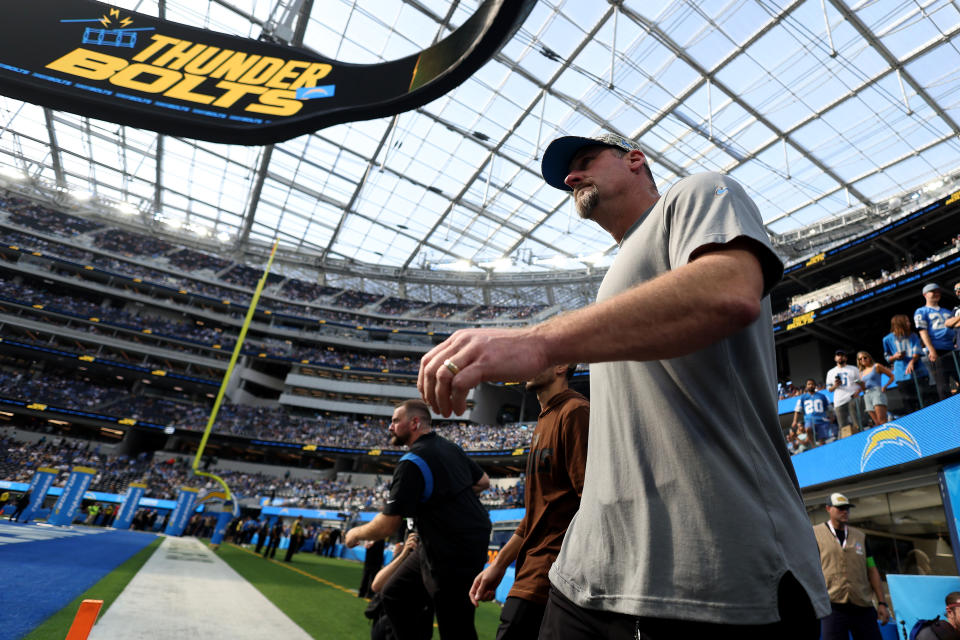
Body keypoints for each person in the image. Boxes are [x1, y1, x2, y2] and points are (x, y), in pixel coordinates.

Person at [417, 132, 829, 638]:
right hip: (589, 572)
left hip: (712, 570)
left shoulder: (696, 193)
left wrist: (541, 341)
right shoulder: (617, 277)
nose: (571, 178)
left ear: (635, 160)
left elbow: (728, 291)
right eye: (568, 175)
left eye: (585, 161)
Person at [344, 399, 492, 640]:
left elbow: (388, 524)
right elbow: (483, 481)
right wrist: (445, 499)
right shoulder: (448, 447)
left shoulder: (411, 462)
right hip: (447, 543)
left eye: (395, 421)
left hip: (452, 550)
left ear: (414, 423)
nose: (390, 427)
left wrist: (355, 534)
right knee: (394, 593)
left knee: (455, 626)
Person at [469, 363, 589, 639]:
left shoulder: (576, 412)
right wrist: (498, 566)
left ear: (561, 366)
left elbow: (590, 502)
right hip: (529, 572)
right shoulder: (545, 419)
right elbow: (534, 515)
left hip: (552, 574)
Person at [814, 493, 889, 640]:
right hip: (832, 607)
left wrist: (882, 603)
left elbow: (872, 569)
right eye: (840, 508)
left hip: (862, 605)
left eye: (847, 508)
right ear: (828, 508)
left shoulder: (860, 536)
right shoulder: (815, 534)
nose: (845, 511)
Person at [915, 283, 958, 401]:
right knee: (943, 383)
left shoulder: (946, 311)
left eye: (938, 291)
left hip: (954, 348)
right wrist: (931, 350)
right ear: (925, 294)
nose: (936, 294)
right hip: (938, 349)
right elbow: (922, 331)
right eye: (932, 292)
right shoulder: (921, 311)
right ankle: (947, 411)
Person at [882, 314, 929, 413]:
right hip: (902, 376)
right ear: (900, 323)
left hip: (919, 373)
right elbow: (887, 356)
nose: (909, 323)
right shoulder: (887, 339)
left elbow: (917, 351)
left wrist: (912, 362)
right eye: (907, 321)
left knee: (925, 399)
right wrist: (895, 357)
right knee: (909, 402)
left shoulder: (913, 335)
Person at [827, 350, 864, 435]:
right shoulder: (831, 372)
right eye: (838, 355)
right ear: (835, 358)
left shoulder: (853, 369)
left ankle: (861, 439)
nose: (840, 357)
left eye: (842, 355)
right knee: (843, 426)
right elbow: (829, 389)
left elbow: (861, 383)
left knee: (857, 423)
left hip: (852, 398)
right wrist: (835, 385)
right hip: (839, 401)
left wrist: (858, 391)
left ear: (846, 358)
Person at [856, 352, 894, 426]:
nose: (863, 360)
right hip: (867, 395)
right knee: (876, 423)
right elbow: (863, 388)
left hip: (877, 392)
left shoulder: (876, 366)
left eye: (865, 357)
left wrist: (885, 386)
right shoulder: (861, 373)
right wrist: (861, 385)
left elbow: (892, 376)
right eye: (860, 359)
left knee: (882, 420)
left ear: (869, 358)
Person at [793, 378, 835, 445]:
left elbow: (829, 408)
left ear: (815, 386)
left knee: (822, 440)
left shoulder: (822, 396)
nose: (810, 386)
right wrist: (794, 421)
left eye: (812, 384)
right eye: (809, 384)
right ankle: (813, 445)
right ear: (806, 386)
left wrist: (832, 416)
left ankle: (821, 449)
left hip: (822, 420)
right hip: (809, 419)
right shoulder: (802, 397)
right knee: (808, 429)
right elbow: (797, 410)